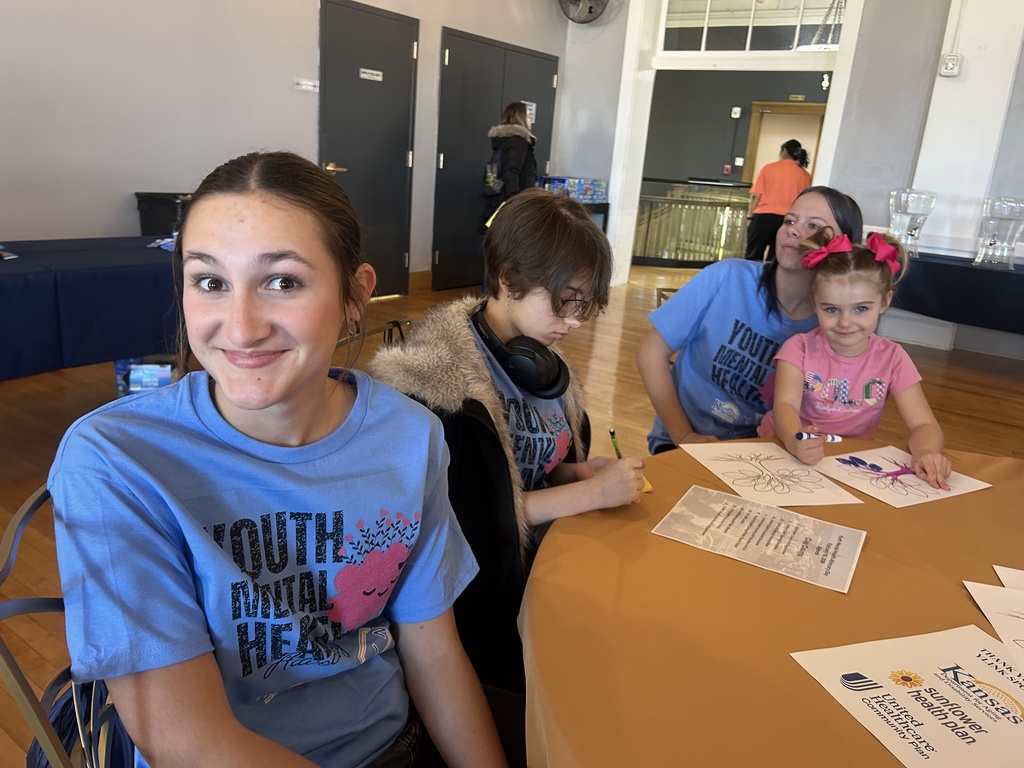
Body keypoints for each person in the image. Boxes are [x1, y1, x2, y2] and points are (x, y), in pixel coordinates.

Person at [48, 151, 514, 768]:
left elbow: (433, 650)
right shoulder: (114, 461)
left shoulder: (410, 434)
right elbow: (188, 743)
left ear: (356, 294)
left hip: (389, 745)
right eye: (210, 281)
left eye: (283, 281)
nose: (239, 329)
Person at [371, 188, 646, 693]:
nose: (576, 322)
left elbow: (531, 465)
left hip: (550, 567)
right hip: (484, 613)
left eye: (585, 306)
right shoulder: (441, 392)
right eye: (565, 303)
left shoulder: (542, 364)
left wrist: (577, 472)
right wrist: (588, 495)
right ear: (509, 279)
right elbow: (466, 523)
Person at [637, 186, 863, 454]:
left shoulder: (836, 323)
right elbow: (650, 353)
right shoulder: (727, 276)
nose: (792, 230)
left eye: (813, 225)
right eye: (789, 221)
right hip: (682, 441)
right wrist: (683, 435)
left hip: (767, 452)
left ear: (843, 247)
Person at [757, 230, 952, 489]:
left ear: (884, 302)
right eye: (831, 309)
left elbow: (924, 424)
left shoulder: (893, 357)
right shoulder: (798, 349)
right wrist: (796, 440)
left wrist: (926, 451)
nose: (846, 322)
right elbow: (785, 407)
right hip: (783, 449)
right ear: (814, 304)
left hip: (851, 461)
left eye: (861, 308)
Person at [745, 139, 812, 262]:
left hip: (763, 217)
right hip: (788, 220)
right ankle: (770, 280)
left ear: (784, 151)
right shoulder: (805, 175)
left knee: (753, 255)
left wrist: (750, 217)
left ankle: (750, 280)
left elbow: (756, 195)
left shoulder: (769, 168)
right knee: (776, 258)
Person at [477, 102, 538, 234]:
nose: (530, 120)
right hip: (510, 200)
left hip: (498, 197)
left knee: (497, 237)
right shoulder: (519, 141)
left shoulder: (505, 140)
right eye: (528, 116)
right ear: (520, 117)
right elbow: (511, 172)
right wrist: (515, 203)